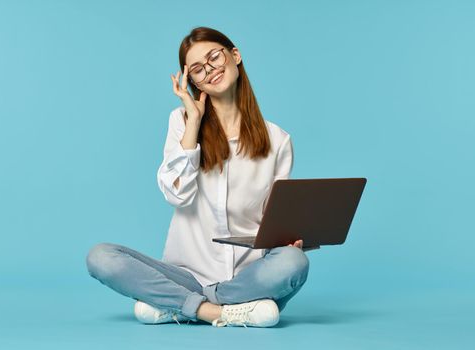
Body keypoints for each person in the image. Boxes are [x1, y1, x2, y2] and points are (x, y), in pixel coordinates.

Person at [86, 26, 312, 328]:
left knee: (294, 263)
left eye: (214, 57)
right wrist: (193, 124)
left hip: (248, 277)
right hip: (186, 275)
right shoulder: (181, 122)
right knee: (101, 257)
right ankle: (222, 312)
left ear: (235, 55)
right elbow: (176, 194)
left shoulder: (278, 140)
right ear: (191, 81)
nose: (210, 70)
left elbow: (274, 220)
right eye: (197, 69)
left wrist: (287, 243)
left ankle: (178, 306)